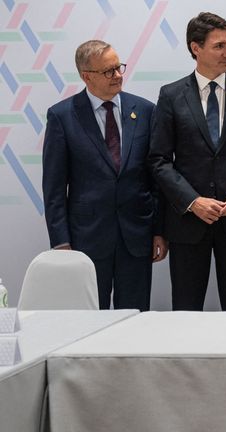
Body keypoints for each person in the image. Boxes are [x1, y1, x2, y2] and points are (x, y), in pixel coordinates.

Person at [148, 12, 226, 311]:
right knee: (186, 311)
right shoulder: (172, 95)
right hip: (189, 223)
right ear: (195, 48)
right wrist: (192, 201)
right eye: (219, 46)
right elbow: (159, 160)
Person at [42, 40, 166, 311]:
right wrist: (61, 242)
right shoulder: (63, 116)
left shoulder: (144, 111)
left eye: (119, 67)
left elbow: (155, 178)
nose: (118, 75)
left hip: (136, 237)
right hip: (86, 240)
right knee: (87, 321)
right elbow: (53, 188)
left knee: (134, 318)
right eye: (109, 71)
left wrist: (159, 230)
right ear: (87, 76)